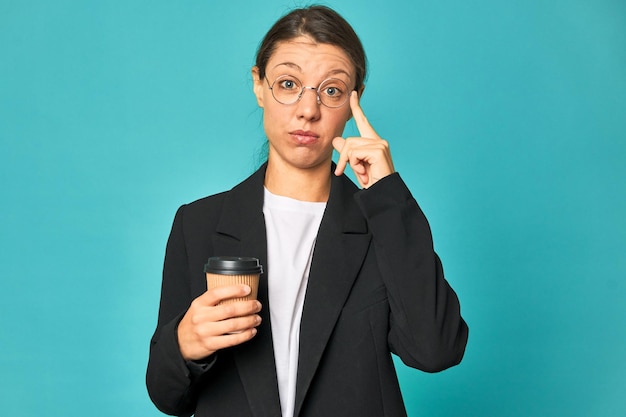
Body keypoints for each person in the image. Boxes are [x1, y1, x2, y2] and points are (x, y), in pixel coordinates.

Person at [146, 5, 468, 417]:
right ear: (258, 86)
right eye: (288, 83)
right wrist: (186, 342)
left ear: (356, 101)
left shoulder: (382, 222)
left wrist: (387, 196)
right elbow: (166, 395)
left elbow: (437, 349)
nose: (308, 110)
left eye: (331, 90)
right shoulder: (199, 223)